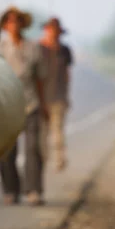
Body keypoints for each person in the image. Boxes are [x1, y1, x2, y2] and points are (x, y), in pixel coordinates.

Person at [0, 6, 48, 206]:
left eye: (17, 20)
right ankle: (11, 190)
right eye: (9, 21)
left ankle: (33, 190)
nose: (13, 24)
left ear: (22, 24)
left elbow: (40, 79)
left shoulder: (33, 47)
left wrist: (44, 105)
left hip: (30, 103)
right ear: (5, 25)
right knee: (7, 150)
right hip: (7, 105)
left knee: (33, 149)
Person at [39, 17, 73, 172]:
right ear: (46, 31)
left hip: (58, 97)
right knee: (42, 132)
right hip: (41, 97)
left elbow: (67, 74)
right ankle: (43, 160)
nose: (53, 33)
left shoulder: (64, 51)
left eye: (56, 31)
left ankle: (59, 159)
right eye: (51, 30)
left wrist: (66, 95)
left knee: (57, 131)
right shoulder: (39, 49)